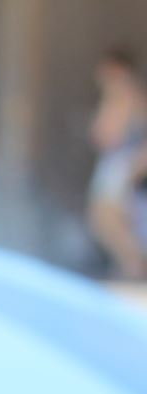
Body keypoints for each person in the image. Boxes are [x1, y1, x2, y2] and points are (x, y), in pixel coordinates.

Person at [88, 47, 147, 281]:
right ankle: (132, 267)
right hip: (114, 166)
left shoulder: (130, 97)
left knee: (109, 219)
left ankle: (135, 268)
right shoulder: (115, 98)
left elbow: (110, 136)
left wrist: (137, 166)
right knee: (103, 219)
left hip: (124, 167)